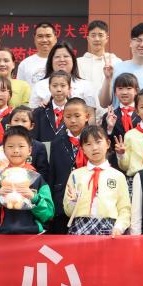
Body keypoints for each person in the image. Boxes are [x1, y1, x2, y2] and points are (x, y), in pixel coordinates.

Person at [0, 125, 55, 234]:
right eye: (10, 146)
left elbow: (48, 214)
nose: (16, 150)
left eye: (21, 146)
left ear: (29, 150)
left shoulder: (37, 179)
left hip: (31, 233)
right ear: (4, 150)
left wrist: (34, 198)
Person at [64, 124, 131, 235]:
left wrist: (119, 227)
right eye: (88, 144)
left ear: (108, 144)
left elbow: (125, 208)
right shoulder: (75, 175)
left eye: (98, 142)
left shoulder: (118, 176)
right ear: (82, 149)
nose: (94, 148)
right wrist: (73, 202)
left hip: (109, 226)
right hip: (80, 226)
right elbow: (68, 212)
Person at [46, 96, 91, 234]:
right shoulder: (57, 142)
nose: (72, 120)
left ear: (87, 116)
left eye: (77, 116)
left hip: (89, 196)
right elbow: (52, 172)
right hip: (63, 197)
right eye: (68, 116)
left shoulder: (94, 139)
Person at [30, 43, 100, 110]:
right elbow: (32, 114)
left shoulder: (86, 85)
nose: (62, 60)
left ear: (73, 60)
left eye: (66, 56)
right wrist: (41, 108)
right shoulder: (39, 85)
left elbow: (91, 114)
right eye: (57, 57)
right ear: (51, 61)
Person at [78, 20, 122, 92]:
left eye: (100, 35)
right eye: (93, 35)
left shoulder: (116, 62)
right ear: (88, 39)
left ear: (106, 39)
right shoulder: (78, 63)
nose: (97, 39)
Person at [103, 73, 139, 144]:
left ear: (136, 91)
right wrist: (110, 128)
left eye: (129, 88)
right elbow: (105, 142)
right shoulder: (108, 117)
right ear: (115, 92)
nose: (124, 92)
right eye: (120, 88)